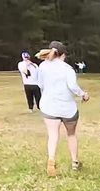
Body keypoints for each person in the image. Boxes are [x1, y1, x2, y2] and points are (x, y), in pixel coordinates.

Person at [36, 42, 88, 176]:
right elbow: (73, 87)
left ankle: (51, 160)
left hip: (49, 106)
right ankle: (75, 162)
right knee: (71, 134)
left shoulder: (43, 66)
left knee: (53, 135)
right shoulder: (67, 69)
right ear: (63, 54)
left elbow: (40, 85)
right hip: (67, 108)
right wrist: (83, 94)